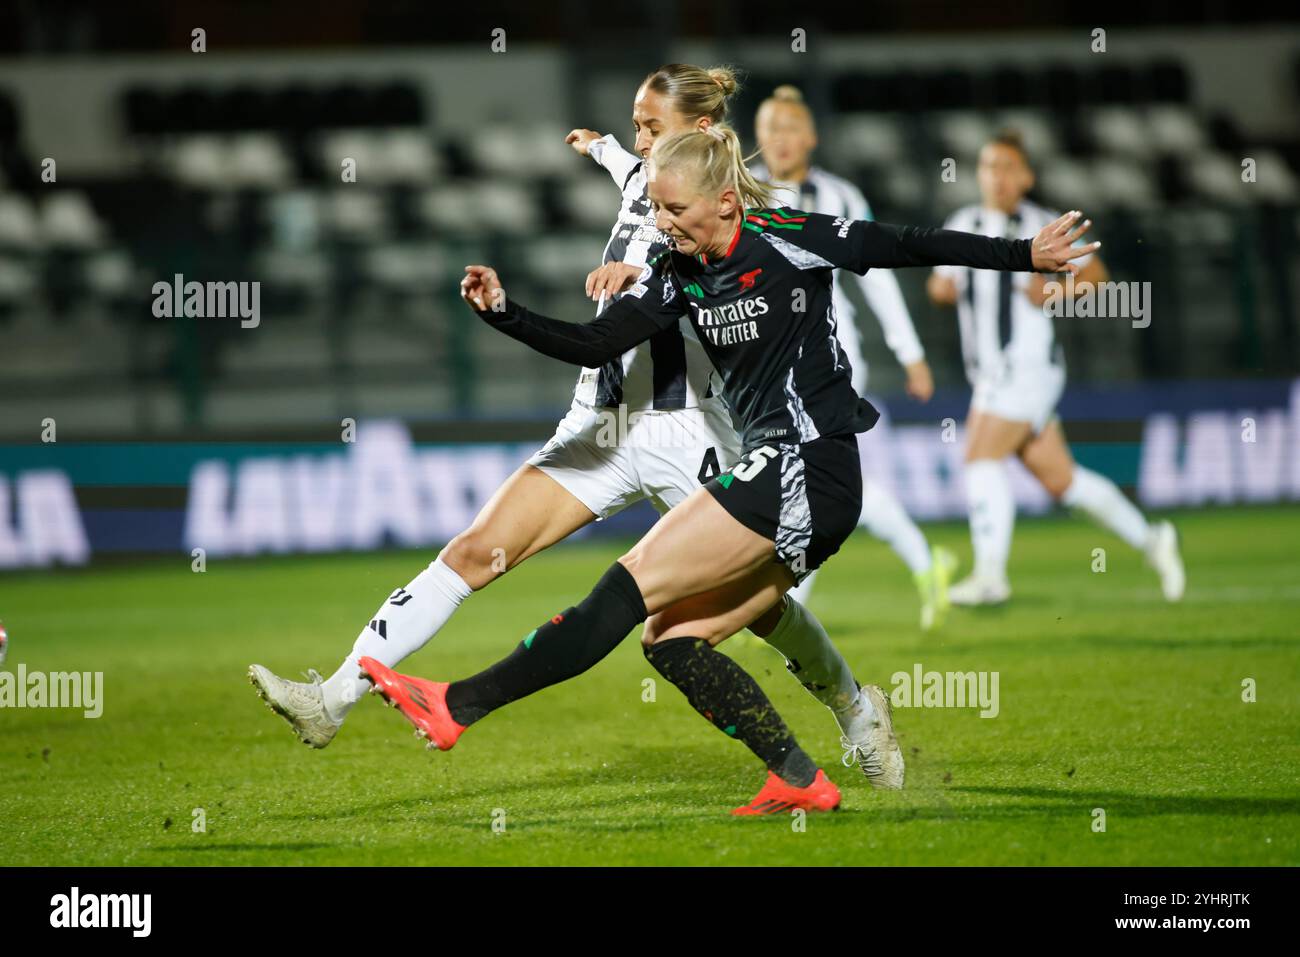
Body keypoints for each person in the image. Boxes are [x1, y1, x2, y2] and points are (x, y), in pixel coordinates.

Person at [357, 124, 1096, 813]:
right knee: (670, 641)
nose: (665, 224)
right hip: (781, 472)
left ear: (723, 201)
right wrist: (505, 312)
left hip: (811, 463)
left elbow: (904, 242)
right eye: (656, 209)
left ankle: (458, 705)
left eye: (674, 209)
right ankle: (797, 777)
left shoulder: (789, 237)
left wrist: (1023, 253)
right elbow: (595, 343)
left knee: (628, 583)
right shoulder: (676, 272)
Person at [250, 65, 885, 787]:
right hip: (602, 425)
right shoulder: (640, 178)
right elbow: (625, 169)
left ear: (703, 137)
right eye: (638, 128)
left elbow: (725, 283)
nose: (643, 144)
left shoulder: (726, 211)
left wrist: (637, 279)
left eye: (653, 128)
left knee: (760, 611)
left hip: (690, 432)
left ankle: (857, 710)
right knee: (474, 551)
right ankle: (332, 698)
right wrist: (602, 146)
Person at [926, 129, 1184, 605]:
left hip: (1025, 366)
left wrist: (1056, 291)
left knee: (980, 460)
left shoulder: (1046, 224)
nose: (997, 176)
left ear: (1026, 176)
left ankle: (990, 576)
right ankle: (1153, 540)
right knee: (1064, 481)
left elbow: (1098, 280)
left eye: (1007, 167)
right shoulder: (964, 219)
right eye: (988, 166)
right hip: (990, 372)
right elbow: (939, 286)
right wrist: (948, 289)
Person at [753, 84, 955, 629]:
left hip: (829, 356)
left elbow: (879, 280)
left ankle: (785, 607)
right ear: (757, 137)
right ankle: (922, 560)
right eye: (772, 128)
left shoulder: (840, 197)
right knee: (812, 479)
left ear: (812, 137)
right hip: (765, 360)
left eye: (791, 127)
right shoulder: (746, 194)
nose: (781, 138)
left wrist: (911, 354)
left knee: (807, 472)